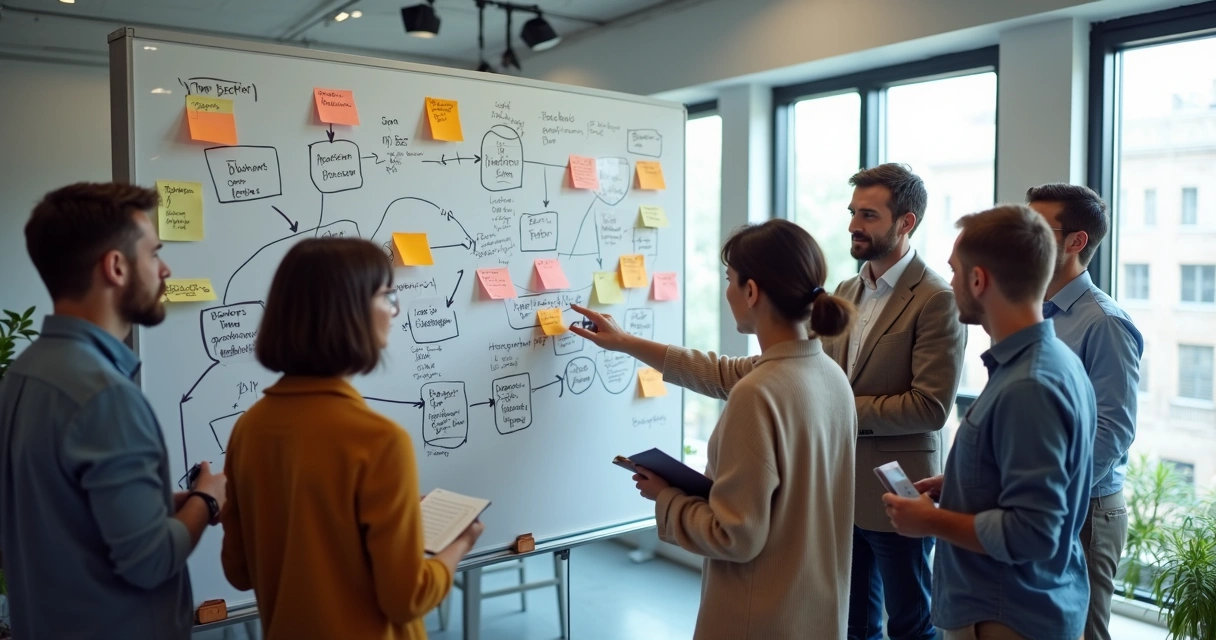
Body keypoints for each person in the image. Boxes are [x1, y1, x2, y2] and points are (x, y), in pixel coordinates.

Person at [571, 219, 858, 639]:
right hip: (815, 612)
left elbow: (733, 536)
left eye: (729, 280)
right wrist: (626, 341)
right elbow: (719, 371)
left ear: (752, 291)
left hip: (758, 618)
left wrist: (665, 496)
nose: (726, 292)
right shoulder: (830, 377)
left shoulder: (757, 394)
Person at [220, 237, 482, 640]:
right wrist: (460, 544)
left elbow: (239, 572)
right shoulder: (379, 440)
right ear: (348, 312)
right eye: (387, 295)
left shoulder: (249, 428)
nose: (395, 311)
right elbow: (406, 597)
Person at [0, 182, 226, 639]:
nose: (165, 269)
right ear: (117, 266)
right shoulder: (105, 397)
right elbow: (152, 561)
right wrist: (208, 499)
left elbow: (55, 517)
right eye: (154, 254)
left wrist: (164, 505)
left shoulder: (22, 373)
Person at [882, 205, 1096, 640]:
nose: (951, 283)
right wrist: (961, 483)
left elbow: (1033, 532)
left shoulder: (1029, 385)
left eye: (956, 273)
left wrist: (932, 522)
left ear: (979, 280)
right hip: (1017, 604)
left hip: (1006, 615)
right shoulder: (1055, 363)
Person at [830, 164, 967, 640]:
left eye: (868, 215)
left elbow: (929, 406)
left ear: (905, 223)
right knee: (852, 624)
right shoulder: (844, 292)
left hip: (900, 490)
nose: (853, 225)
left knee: (911, 624)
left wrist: (838, 409)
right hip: (838, 487)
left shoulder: (937, 298)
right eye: (852, 212)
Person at [1027, 183, 1143, 640]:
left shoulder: (1105, 322)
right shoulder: (1034, 310)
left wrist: (1054, 492)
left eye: (1037, 226)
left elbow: (1113, 431)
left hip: (1086, 510)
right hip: (1040, 500)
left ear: (1076, 242)